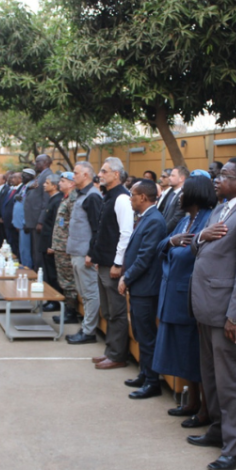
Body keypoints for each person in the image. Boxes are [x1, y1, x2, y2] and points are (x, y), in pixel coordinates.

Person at [185, 156, 236, 470]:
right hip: (207, 307)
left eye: (224, 176)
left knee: (231, 382)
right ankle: (219, 429)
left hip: (228, 314)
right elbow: (200, 245)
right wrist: (199, 238)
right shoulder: (221, 209)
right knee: (212, 377)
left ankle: (235, 449)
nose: (217, 180)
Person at [152, 172, 217, 426]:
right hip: (172, 295)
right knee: (183, 353)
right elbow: (162, 247)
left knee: (194, 355)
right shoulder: (185, 221)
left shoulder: (207, 220)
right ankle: (191, 402)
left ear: (195, 194)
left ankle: (203, 410)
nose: (178, 198)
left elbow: (190, 256)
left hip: (189, 297)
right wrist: (172, 241)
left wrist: (175, 247)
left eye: (183, 193)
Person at [119, 179, 170, 399]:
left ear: (143, 197)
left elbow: (145, 257)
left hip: (146, 288)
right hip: (140, 287)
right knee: (140, 332)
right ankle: (144, 373)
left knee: (147, 335)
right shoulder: (146, 218)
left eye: (132, 194)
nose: (129, 198)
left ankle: (152, 382)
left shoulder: (154, 221)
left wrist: (126, 278)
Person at [88, 157, 134, 369]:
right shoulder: (108, 196)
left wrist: (117, 263)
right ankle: (110, 350)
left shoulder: (123, 198)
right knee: (107, 310)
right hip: (104, 262)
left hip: (113, 265)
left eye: (104, 171)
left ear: (116, 174)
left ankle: (117, 355)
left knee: (116, 311)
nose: (100, 174)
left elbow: (126, 233)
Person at [66, 162, 104, 344]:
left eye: (76, 173)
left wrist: (91, 253)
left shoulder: (92, 196)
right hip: (77, 252)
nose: (73, 176)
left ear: (86, 175)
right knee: (83, 291)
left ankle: (88, 332)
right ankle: (86, 327)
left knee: (90, 292)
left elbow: (97, 228)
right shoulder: (82, 195)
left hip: (84, 254)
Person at [49, 171, 83, 324]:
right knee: (64, 279)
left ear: (71, 183)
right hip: (61, 245)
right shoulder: (66, 198)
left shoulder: (73, 199)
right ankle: (68, 310)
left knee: (68, 281)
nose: (60, 183)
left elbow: (75, 224)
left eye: (63, 180)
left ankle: (71, 313)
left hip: (66, 247)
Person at [38, 173, 66, 312]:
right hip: (46, 242)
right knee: (48, 273)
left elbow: (56, 226)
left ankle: (55, 301)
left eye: (47, 183)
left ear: (54, 186)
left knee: (53, 274)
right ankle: (50, 299)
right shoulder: (52, 199)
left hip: (51, 244)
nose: (44, 184)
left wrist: (52, 245)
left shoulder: (57, 201)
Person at [24, 155, 54, 273]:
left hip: (38, 221)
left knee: (38, 253)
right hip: (33, 220)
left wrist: (41, 221)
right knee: (35, 252)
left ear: (46, 162)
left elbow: (46, 201)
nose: (35, 164)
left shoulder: (47, 176)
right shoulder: (41, 176)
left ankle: (40, 277)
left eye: (38, 162)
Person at [11, 170, 33, 268]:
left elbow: (29, 207)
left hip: (25, 223)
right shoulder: (24, 187)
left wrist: (25, 222)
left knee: (25, 248)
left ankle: (27, 266)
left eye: (25, 176)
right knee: (22, 247)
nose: (22, 178)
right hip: (19, 222)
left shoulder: (31, 186)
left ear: (31, 176)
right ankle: (23, 264)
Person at [158, 166, 186, 231]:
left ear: (181, 179)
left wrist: (162, 232)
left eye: (172, 176)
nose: (169, 178)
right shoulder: (171, 194)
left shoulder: (183, 195)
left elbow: (177, 218)